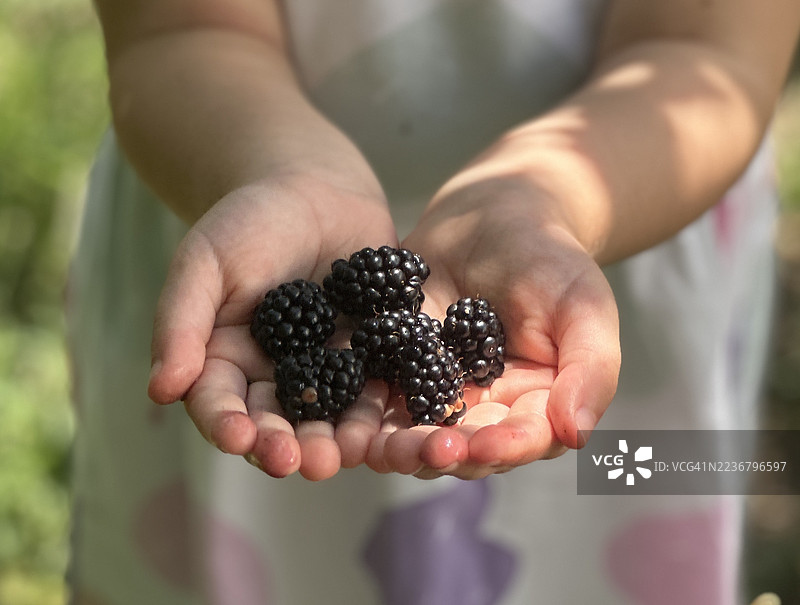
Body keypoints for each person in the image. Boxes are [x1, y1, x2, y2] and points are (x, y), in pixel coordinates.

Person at [66, 0, 800, 603]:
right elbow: (180, 28)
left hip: (615, 212)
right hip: (233, 181)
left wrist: (541, 198)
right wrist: (279, 172)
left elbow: (709, 53)